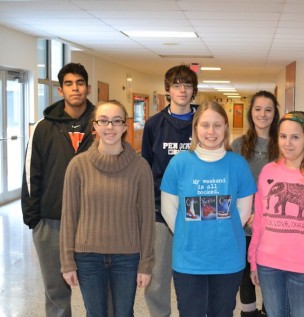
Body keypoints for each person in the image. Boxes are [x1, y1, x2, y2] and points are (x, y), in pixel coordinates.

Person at [160, 101, 256, 317]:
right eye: (204, 125)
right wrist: (192, 232)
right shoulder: (179, 163)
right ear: (195, 129)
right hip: (189, 259)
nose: (211, 131)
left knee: (222, 312)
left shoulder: (238, 164)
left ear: (225, 128)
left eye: (217, 125)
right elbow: (169, 210)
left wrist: (218, 228)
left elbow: (242, 211)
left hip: (227, 257)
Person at [60, 100, 155, 316]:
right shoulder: (78, 165)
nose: (109, 127)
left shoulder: (140, 168)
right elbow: (69, 217)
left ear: (124, 126)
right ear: (94, 126)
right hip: (88, 257)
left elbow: (147, 219)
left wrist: (145, 264)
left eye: (116, 121)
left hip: (127, 257)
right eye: (103, 121)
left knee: (124, 313)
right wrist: (67, 262)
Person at [21, 62, 95, 317]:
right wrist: (34, 220)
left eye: (80, 83)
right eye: (69, 84)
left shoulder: (101, 123)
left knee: (95, 292)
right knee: (56, 293)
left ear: (88, 87)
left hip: (93, 222)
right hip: (52, 221)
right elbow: (32, 174)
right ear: (61, 90)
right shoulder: (44, 127)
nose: (75, 88)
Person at [248, 111, 304, 317]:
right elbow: (260, 220)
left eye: (295, 137)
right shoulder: (268, 171)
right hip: (268, 264)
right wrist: (253, 260)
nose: (287, 143)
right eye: (282, 136)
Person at [141, 65, 198, 317]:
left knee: (193, 274)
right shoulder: (154, 124)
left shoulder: (204, 122)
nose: (182, 90)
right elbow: (146, 166)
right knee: (159, 276)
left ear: (194, 90)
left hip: (198, 209)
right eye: (176, 85)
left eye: (187, 85)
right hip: (159, 210)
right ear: (168, 90)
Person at [231, 90, 280, 317]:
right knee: (245, 276)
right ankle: (248, 313)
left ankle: (271, 310)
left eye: (268, 109)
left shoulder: (283, 144)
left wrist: (262, 214)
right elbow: (233, 184)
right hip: (243, 221)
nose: (263, 114)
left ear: (275, 113)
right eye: (258, 109)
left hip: (274, 223)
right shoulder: (238, 145)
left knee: (270, 274)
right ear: (251, 113)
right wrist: (246, 213)